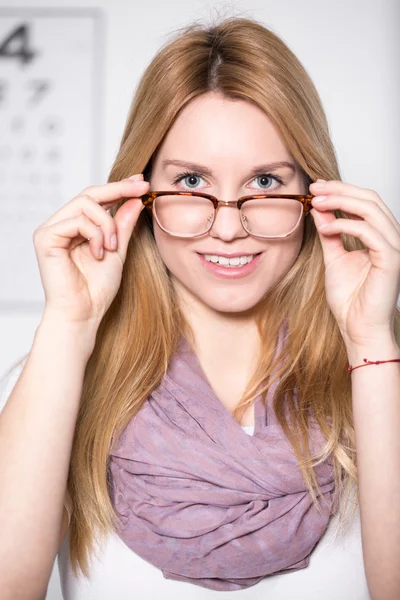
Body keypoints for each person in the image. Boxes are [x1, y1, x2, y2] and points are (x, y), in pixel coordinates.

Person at [1, 15, 399, 600]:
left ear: (318, 196)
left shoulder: (380, 377)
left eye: (265, 182)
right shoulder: (58, 378)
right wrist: (69, 326)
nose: (231, 228)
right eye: (191, 181)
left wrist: (370, 345)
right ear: (137, 193)